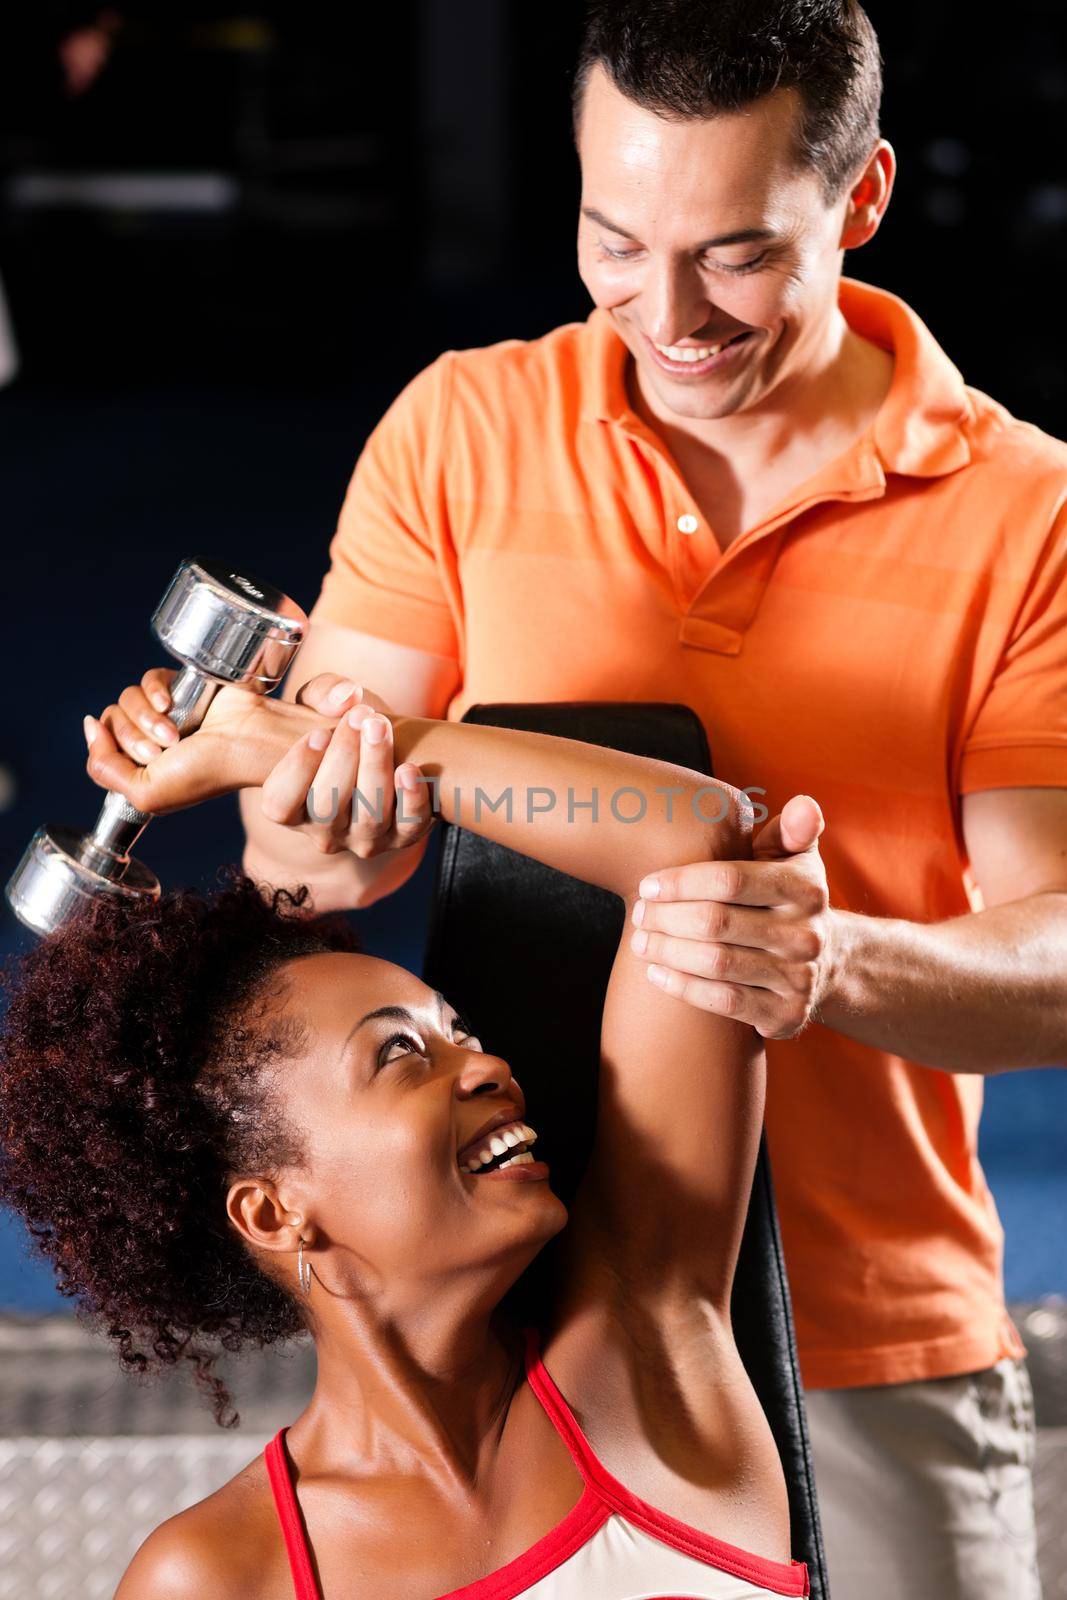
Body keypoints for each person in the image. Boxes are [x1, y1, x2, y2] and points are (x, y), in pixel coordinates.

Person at [90, 3, 1066, 1595]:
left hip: (870, 1327)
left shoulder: (1029, 515)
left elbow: (1057, 957)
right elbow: (304, 864)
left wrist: (833, 968)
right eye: (612, 238)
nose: (662, 312)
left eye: (735, 253)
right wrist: (321, 815)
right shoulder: (460, 433)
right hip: (504, 1297)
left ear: (861, 198)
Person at [9, 681, 810, 1600]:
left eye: (461, 1033)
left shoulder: (648, 1346)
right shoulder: (222, 1576)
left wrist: (298, 744)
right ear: (273, 1212)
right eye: (401, 1053)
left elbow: (690, 836)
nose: (486, 1067)